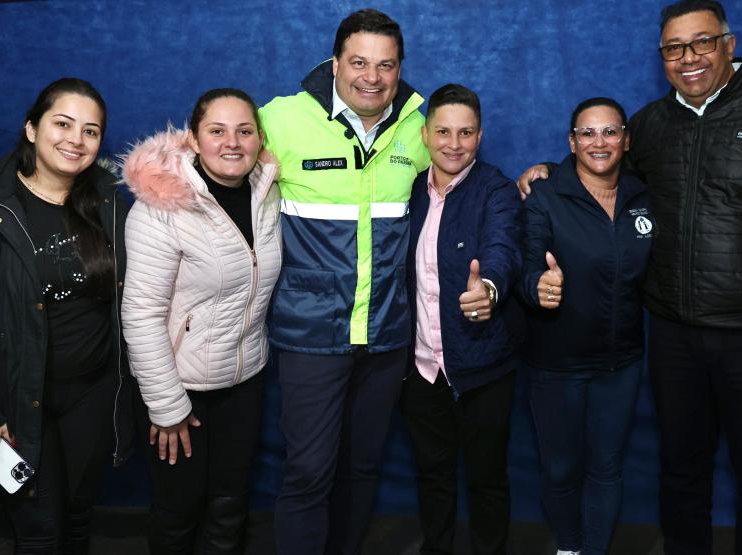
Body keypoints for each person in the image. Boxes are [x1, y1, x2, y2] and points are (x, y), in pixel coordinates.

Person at [516, 2, 742, 553]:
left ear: (729, 44)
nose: (688, 57)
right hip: (673, 334)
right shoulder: (650, 125)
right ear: (662, 57)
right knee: (680, 472)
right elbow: (603, 170)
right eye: (674, 48)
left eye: (702, 42)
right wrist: (552, 172)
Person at [0, 77, 133, 553]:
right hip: (15, 402)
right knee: (38, 531)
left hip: (93, 394)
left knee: (79, 519)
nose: (76, 140)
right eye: (62, 124)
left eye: (90, 131)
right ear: (31, 128)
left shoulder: (108, 201)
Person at [259, 8, 429, 554]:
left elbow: (464, 176)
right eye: (359, 63)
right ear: (335, 63)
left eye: (386, 65)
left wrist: (540, 179)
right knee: (309, 471)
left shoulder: (419, 127)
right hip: (310, 335)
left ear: (399, 69)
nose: (372, 78)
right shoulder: (281, 119)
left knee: (362, 468)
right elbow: (216, 159)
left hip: (386, 336)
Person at [120, 88, 281, 553]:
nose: (232, 143)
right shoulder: (160, 207)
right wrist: (167, 406)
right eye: (217, 131)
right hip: (179, 386)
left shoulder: (267, 193)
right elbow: (141, 314)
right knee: (179, 508)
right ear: (193, 138)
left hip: (244, 380)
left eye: (244, 131)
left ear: (259, 138)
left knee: (230, 504)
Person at [521, 98, 651, 555]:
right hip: (557, 364)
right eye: (588, 133)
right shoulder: (545, 196)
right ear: (572, 143)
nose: (600, 142)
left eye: (610, 132)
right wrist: (536, 285)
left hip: (621, 363)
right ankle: (569, 547)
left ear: (626, 141)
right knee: (560, 469)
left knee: (606, 469)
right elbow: (525, 264)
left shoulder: (643, 196)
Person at [400, 84, 521, 555]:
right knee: (432, 476)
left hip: (483, 365)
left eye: (466, 133)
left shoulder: (496, 190)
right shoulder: (408, 191)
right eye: (444, 132)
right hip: (421, 368)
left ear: (480, 136)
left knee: (487, 478)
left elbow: (503, 248)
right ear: (425, 135)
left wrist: (488, 288)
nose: (454, 144)